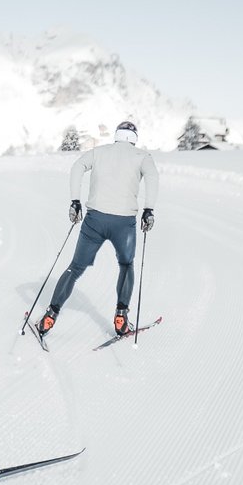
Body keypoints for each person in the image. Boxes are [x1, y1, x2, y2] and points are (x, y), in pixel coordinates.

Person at [36, 119, 159, 340]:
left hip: (94, 221)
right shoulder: (142, 157)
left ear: (116, 135)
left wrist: (75, 201)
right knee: (126, 264)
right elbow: (153, 177)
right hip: (124, 224)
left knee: (75, 268)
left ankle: (50, 315)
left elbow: (77, 167)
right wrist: (148, 209)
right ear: (134, 138)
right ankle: (121, 317)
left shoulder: (99, 152)